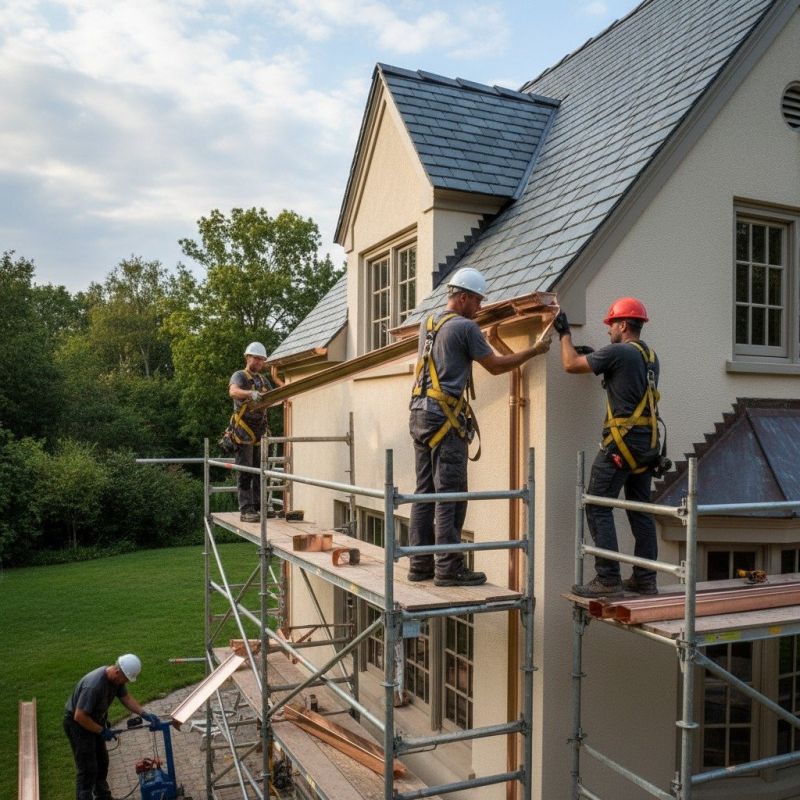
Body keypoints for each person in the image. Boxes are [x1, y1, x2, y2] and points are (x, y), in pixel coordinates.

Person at [408, 267, 551, 586]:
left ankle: (419, 564)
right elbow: (496, 366)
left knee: (425, 489)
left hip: (419, 412)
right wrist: (534, 350)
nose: (480, 307)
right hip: (445, 417)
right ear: (461, 298)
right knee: (451, 493)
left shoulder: (428, 323)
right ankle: (448, 567)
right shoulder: (465, 328)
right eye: (476, 301)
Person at [556, 297, 662, 597]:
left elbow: (569, 364)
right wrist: (602, 360)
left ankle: (607, 578)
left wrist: (564, 335)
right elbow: (625, 382)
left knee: (597, 504)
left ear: (624, 325)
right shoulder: (650, 356)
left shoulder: (618, 353)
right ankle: (645, 578)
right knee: (640, 510)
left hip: (621, 444)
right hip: (647, 445)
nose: (608, 330)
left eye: (612, 324)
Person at [63, 653, 159, 800]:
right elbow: (80, 716)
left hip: (94, 721)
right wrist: (101, 731)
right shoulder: (94, 685)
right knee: (87, 769)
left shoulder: (117, 680)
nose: (125, 682)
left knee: (102, 762)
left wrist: (144, 713)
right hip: (78, 726)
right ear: (117, 671)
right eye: (125, 679)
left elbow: (126, 698)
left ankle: (103, 796)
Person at [229, 342, 274, 522]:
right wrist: (249, 394)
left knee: (259, 471)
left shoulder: (263, 380)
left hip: (260, 431)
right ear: (248, 358)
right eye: (256, 358)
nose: (259, 362)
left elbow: (273, 396)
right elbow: (233, 391)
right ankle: (246, 509)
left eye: (262, 360)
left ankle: (258, 506)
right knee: (245, 471)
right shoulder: (240, 376)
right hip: (243, 431)